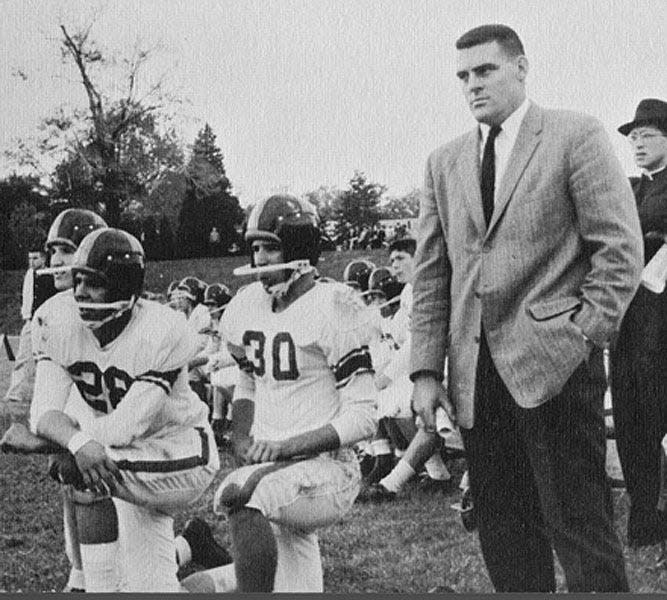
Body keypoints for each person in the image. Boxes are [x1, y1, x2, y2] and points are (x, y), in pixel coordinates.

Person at [410, 24, 643, 592]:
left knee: (581, 529)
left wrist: (581, 336)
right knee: (505, 536)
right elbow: (430, 275)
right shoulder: (444, 162)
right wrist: (423, 371)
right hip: (475, 382)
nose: (472, 85)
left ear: (520, 67)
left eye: (485, 71)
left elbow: (619, 250)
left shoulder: (573, 135)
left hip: (557, 370)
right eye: (463, 76)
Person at [5, 228, 220, 592]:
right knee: (152, 588)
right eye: (78, 281)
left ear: (124, 289)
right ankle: (232, 579)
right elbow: (44, 412)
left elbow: (124, 428)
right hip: (124, 455)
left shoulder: (162, 328)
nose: (80, 293)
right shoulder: (57, 318)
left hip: (180, 451)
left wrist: (62, 446)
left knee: (84, 472)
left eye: (94, 283)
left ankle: (95, 587)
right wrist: (74, 442)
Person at [181, 194, 377, 593]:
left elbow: (364, 416)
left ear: (300, 249)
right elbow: (249, 378)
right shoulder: (248, 304)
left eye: (271, 247)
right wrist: (241, 435)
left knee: (242, 492)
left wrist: (289, 445)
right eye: (255, 248)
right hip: (280, 466)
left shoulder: (333, 306)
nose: (260, 259)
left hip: (327, 467)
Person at [611, 98, 667, 548]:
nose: (637, 143)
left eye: (647, 135)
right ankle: (644, 514)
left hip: (663, 317)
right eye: (633, 137)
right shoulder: (628, 191)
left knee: (659, 409)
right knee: (631, 415)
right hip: (629, 320)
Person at [1, 243, 54, 425]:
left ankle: (48, 395)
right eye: (29, 258)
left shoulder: (52, 274)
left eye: (36, 258)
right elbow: (27, 295)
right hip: (31, 320)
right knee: (23, 357)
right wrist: (26, 316)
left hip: (48, 320)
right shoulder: (29, 274)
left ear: (44, 258)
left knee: (47, 359)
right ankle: (15, 393)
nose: (32, 262)